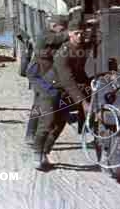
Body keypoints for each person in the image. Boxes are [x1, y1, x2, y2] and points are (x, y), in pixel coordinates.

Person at [29, 15, 91, 171]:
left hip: (64, 92)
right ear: (69, 33)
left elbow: (80, 73)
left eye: (82, 33)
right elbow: (68, 79)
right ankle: (37, 154)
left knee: (60, 124)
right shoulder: (62, 53)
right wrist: (83, 102)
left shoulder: (81, 49)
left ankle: (45, 152)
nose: (80, 36)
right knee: (48, 121)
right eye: (76, 33)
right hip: (50, 89)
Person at [24, 15, 70, 147]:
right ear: (54, 25)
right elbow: (58, 38)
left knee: (38, 102)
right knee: (43, 99)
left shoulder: (51, 34)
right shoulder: (45, 35)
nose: (63, 30)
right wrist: (71, 33)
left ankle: (31, 134)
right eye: (62, 27)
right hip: (37, 73)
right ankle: (33, 135)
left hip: (42, 73)